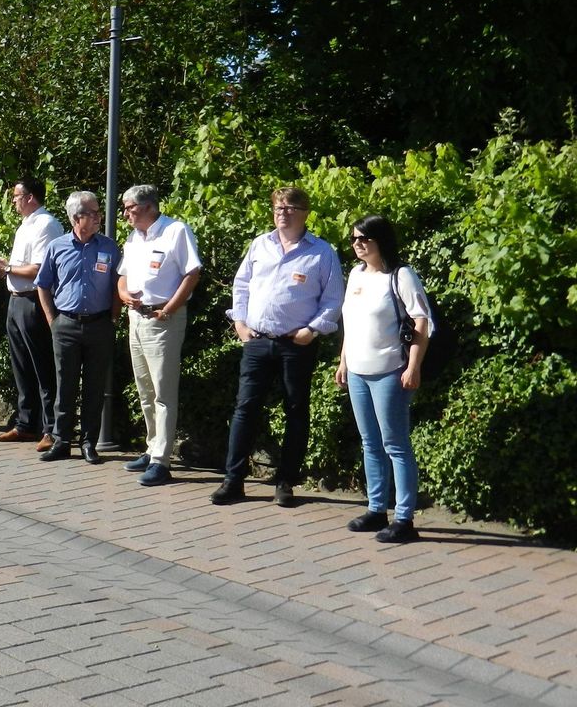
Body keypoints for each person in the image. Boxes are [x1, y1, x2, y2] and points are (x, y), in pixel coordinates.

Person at [213, 187, 345, 507]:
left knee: (296, 411)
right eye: (278, 206)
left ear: (305, 212)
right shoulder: (261, 244)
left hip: (295, 345)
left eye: (289, 207)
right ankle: (233, 481)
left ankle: (286, 482)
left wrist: (312, 331)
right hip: (257, 341)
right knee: (245, 409)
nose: (282, 212)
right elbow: (241, 285)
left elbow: (333, 300)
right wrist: (240, 324)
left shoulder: (322, 252)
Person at [334, 215, 431, 544]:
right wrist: (344, 360)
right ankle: (377, 509)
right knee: (370, 443)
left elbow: (421, 321)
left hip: (390, 371)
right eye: (353, 239)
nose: (357, 244)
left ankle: (404, 518)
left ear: (381, 241)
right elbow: (352, 322)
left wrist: (413, 366)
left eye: (364, 239)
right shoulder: (356, 275)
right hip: (359, 372)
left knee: (396, 446)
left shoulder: (400, 275)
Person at [117, 185, 202, 487]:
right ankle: (152, 447)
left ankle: (162, 461)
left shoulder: (176, 231)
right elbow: (123, 275)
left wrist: (168, 309)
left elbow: (192, 272)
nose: (125, 212)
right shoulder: (133, 237)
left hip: (162, 320)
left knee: (164, 391)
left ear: (149, 206)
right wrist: (124, 295)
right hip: (136, 320)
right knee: (144, 390)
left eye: (129, 207)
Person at [35, 191, 120, 465]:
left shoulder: (109, 247)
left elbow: (119, 284)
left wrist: (114, 319)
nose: (98, 217)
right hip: (66, 324)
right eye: (92, 213)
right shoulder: (57, 246)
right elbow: (43, 284)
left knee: (95, 387)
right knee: (65, 385)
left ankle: (88, 443)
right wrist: (52, 321)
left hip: (99, 324)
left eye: (98, 212)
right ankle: (61, 441)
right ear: (76, 218)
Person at [0, 177, 63, 448]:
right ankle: (26, 424)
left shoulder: (47, 224)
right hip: (16, 300)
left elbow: (41, 269)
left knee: (42, 366)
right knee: (21, 366)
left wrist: (7, 269)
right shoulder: (25, 226)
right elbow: (22, 265)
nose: (14, 201)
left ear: (31, 197)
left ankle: (51, 429)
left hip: (34, 301)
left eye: (17, 196)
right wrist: (6, 265)